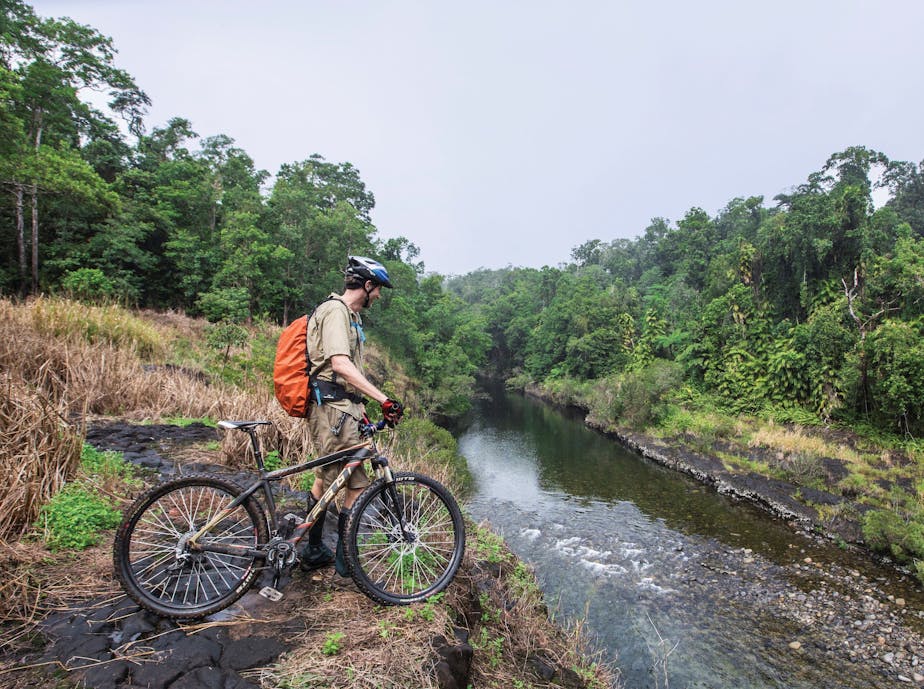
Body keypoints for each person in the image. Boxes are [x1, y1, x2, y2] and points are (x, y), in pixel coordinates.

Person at [300, 255, 404, 576]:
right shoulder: (335, 312)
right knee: (351, 482)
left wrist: (365, 406)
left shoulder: (350, 317)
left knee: (335, 479)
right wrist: (383, 398)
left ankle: (317, 549)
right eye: (378, 289)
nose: (379, 296)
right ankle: (341, 557)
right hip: (333, 411)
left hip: (344, 410)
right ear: (367, 285)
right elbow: (340, 364)